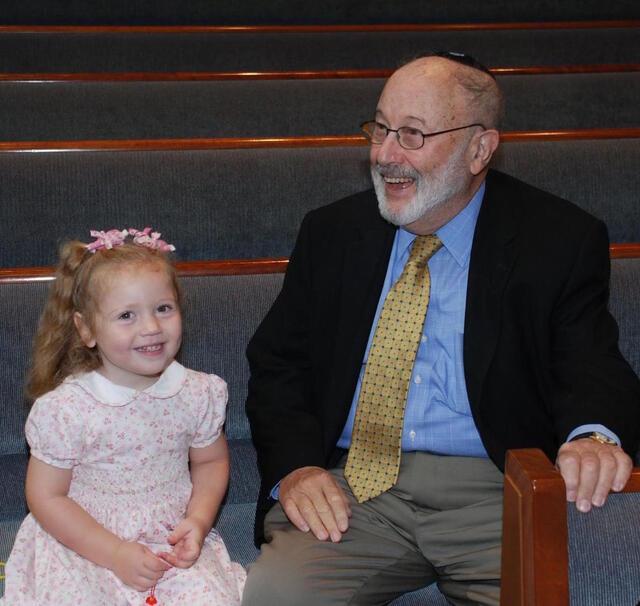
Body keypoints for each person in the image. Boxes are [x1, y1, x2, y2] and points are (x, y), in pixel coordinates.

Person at [243, 52, 640, 605]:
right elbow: (278, 365)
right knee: (274, 598)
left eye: (412, 135)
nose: (385, 155)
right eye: (380, 128)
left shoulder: (558, 240)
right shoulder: (332, 234)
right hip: (356, 489)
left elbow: (590, 361)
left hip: (495, 491)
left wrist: (593, 438)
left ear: (480, 149)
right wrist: (296, 469)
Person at [1, 228, 246, 605]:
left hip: (169, 542)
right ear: (86, 329)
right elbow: (46, 496)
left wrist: (198, 520)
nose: (151, 327)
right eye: (126, 315)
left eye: (163, 308)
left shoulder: (198, 393)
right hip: (85, 542)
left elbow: (211, 461)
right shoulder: (67, 410)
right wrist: (114, 553)